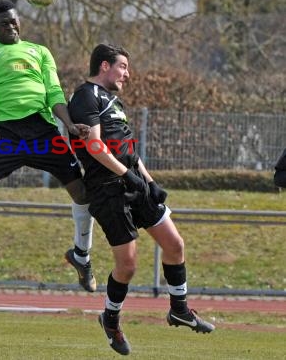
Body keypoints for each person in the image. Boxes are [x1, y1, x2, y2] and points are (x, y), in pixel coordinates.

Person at [0, 0, 96, 297]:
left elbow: (54, 92)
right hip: (4, 134)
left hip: (41, 130)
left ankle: (82, 256)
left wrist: (70, 125)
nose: (11, 26)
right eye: (4, 24)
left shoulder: (40, 52)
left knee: (81, 191)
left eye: (14, 21)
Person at [67, 43, 215, 355]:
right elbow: (94, 146)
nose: (128, 74)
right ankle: (110, 320)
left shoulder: (114, 102)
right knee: (128, 264)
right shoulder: (85, 96)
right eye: (123, 67)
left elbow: (128, 149)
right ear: (105, 66)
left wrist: (149, 181)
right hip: (108, 188)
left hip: (134, 181)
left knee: (175, 245)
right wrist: (125, 175)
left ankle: (180, 309)